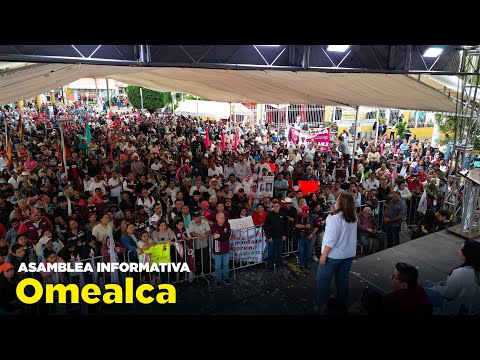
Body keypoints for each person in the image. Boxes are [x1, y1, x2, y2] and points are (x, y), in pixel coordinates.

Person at [316, 192, 357, 311]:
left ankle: (322, 305)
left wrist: (324, 256)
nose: (336, 200)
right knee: (343, 279)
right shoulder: (353, 215)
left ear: (341, 202)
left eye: (338, 199)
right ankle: (342, 304)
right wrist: (334, 210)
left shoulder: (333, 218)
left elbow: (331, 239)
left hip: (333, 255)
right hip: (348, 253)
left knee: (323, 280)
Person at [424, 240, 480, 311]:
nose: (459, 250)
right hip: (469, 299)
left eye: (461, 249)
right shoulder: (475, 270)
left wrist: (438, 287)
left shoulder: (460, 272)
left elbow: (449, 293)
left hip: (454, 302)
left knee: (425, 290)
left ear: (468, 254)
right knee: (431, 285)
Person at [263, 201, 288, 270]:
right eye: (274, 206)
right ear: (273, 207)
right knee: (270, 253)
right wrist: (269, 236)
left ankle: (278, 264)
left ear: (279, 207)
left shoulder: (283, 214)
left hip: (280, 237)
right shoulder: (269, 215)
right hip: (271, 238)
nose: (276, 208)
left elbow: (286, 226)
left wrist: (285, 235)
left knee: (279, 252)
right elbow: (266, 226)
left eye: (277, 206)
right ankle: (270, 265)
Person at [211, 212, 231, 287]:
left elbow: (228, 235)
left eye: (223, 218)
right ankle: (218, 280)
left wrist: (220, 235)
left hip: (226, 248)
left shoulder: (227, 224)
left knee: (226, 265)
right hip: (217, 249)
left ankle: (226, 278)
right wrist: (223, 236)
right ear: (217, 218)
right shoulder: (214, 226)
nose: (223, 219)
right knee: (218, 266)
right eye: (221, 218)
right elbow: (216, 237)